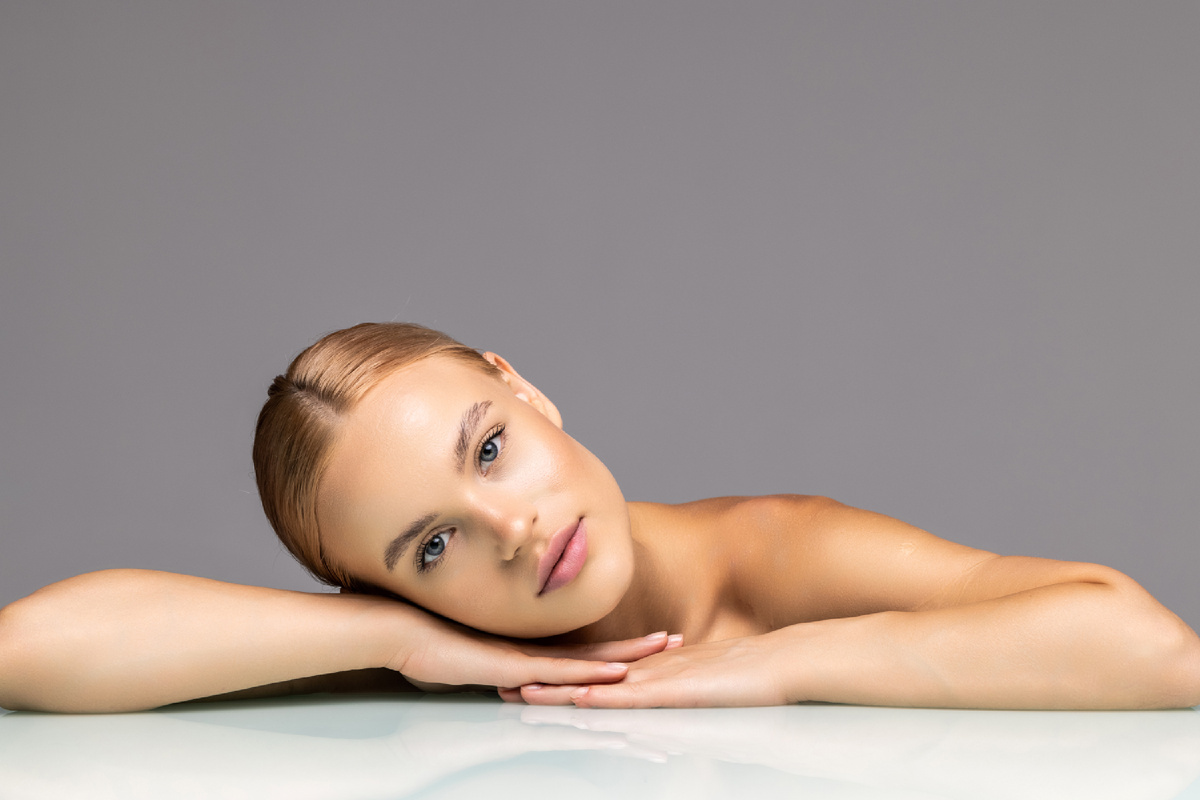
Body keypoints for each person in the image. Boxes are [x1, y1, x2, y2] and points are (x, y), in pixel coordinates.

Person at [1, 322, 1198, 713]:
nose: (512, 528)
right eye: (432, 544)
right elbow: (27, 648)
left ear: (524, 387)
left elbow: (1152, 647)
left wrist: (776, 662)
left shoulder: (766, 552)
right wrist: (395, 638)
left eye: (490, 447)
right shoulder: (432, 638)